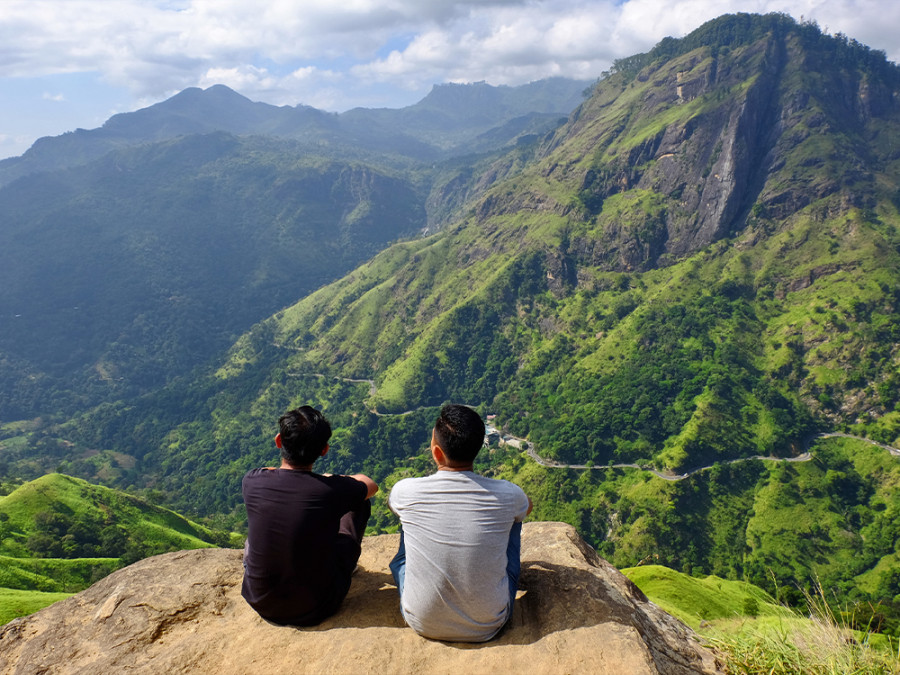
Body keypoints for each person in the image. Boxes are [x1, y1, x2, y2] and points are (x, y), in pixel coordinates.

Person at [388, 404, 532, 642]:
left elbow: (393, 506)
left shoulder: (406, 491)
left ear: (436, 453)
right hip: (489, 623)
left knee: (407, 526)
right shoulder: (509, 494)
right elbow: (526, 506)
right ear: (479, 449)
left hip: (422, 621)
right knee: (514, 519)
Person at [241, 405, 378, 626]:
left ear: (278, 441)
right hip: (317, 605)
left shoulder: (252, 481)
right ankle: (346, 566)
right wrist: (329, 478)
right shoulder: (329, 490)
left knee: (256, 535)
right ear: (324, 449)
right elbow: (370, 485)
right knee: (360, 504)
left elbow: (269, 470)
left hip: (260, 601)